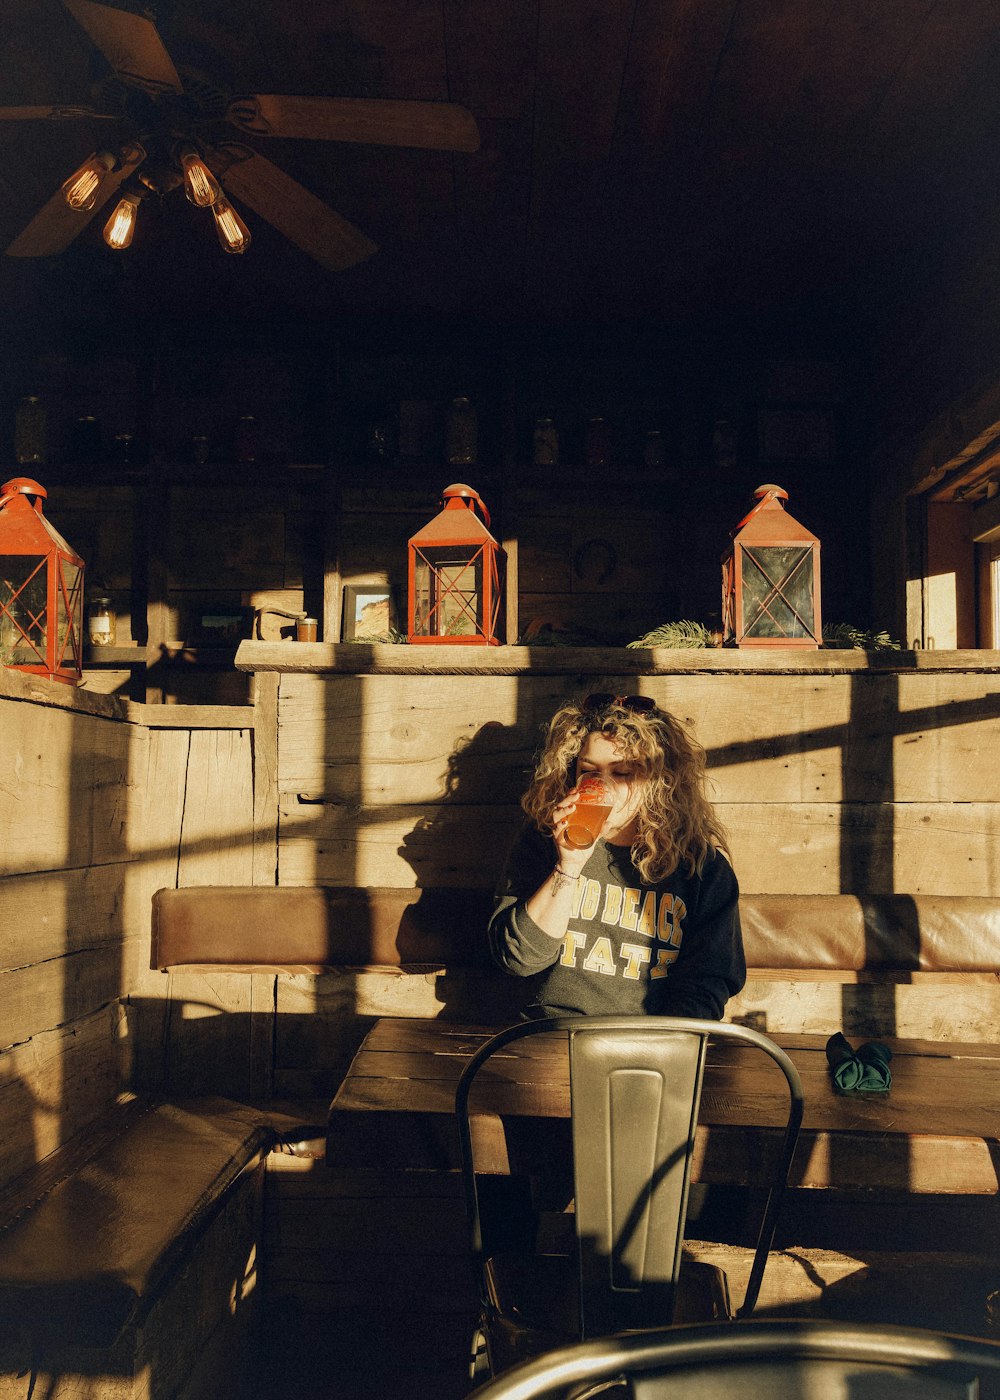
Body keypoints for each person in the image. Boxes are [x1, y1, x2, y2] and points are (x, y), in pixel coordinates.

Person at [488, 692, 745, 1020]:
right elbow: (519, 958)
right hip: (550, 1035)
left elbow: (707, 983)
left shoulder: (700, 867)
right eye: (589, 770)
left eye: (622, 773)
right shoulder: (542, 841)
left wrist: (664, 1047)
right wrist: (568, 866)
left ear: (658, 781)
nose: (601, 784)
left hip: (649, 1043)